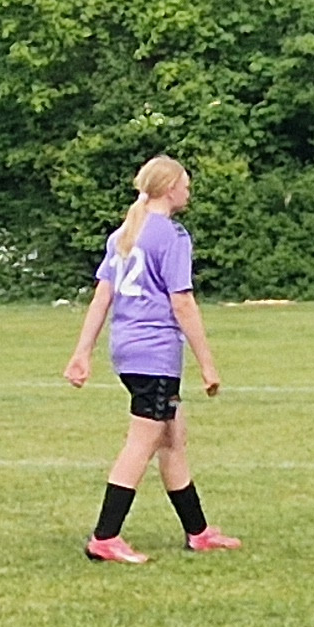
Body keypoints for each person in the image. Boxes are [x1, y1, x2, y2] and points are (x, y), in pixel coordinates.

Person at [62, 154, 234, 561]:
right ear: (169, 188)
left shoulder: (124, 233)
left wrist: (83, 351)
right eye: (185, 185)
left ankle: (198, 531)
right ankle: (105, 537)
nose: (189, 191)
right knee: (142, 442)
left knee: (172, 438)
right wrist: (207, 363)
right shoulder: (172, 236)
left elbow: (102, 297)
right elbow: (182, 303)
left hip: (127, 348)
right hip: (154, 353)